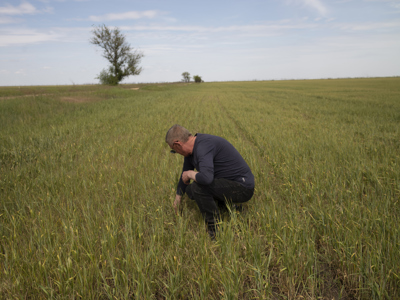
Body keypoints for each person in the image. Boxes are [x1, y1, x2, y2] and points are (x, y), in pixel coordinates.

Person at [165, 124, 255, 239]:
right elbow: (184, 175)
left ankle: (215, 230)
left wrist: (190, 174)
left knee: (198, 188)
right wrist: (177, 199)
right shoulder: (191, 152)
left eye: (174, 150)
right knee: (190, 190)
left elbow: (206, 178)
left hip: (242, 188)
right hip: (228, 183)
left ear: (177, 144)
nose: (176, 153)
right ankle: (227, 207)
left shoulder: (203, 147)